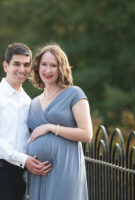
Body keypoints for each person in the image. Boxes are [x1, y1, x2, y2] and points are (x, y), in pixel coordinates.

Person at [0, 42, 52, 200]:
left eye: (26, 65)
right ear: (6, 66)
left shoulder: (28, 101)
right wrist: (24, 159)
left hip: (21, 173)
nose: (21, 69)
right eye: (16, 64)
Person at [27, 44, 93, 200]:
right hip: (39, 173)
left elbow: (87, 134)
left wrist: (50, 127)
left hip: (66, 168)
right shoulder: (34, 102)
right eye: (44, 64)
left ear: (61, 68)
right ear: (37, 67)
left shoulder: (74, 93)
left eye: (53, 65)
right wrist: (28, 161)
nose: (47, 70)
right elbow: (29, 136)